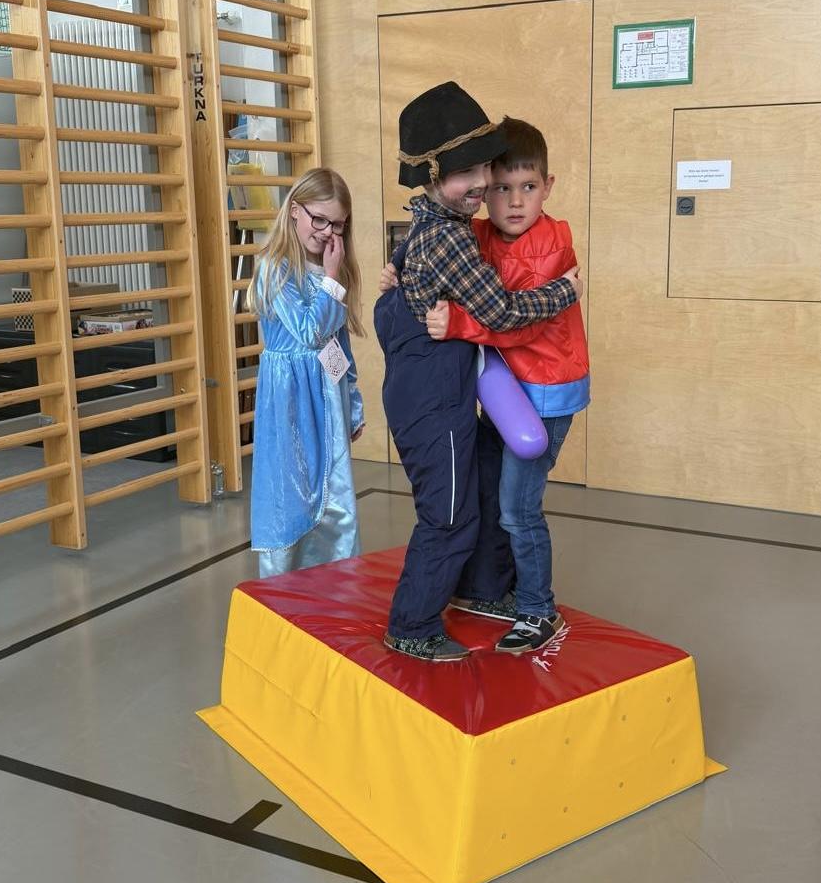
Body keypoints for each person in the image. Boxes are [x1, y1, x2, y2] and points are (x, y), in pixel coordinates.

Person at [374, 81, 584, 662]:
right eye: (466, 173)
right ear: (431, 175)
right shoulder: (450, 239)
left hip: (447, 390)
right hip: (431, 399)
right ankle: (411, 625)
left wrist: (397, 276)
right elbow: (504, 314)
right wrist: (564, 293)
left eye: (482, 168)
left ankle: (482, 588)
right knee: (449, 513)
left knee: (481, 489)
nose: (482, 184)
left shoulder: (437, 222)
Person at [248, 167, 365, 577]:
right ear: (295, 210)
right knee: (292, 490)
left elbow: (337, 346)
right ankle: (283, 584)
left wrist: (352, 405)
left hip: (326, 397)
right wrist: (331, 278)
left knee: (332, 490)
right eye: (320, 220)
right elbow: (310, 332)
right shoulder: (275, 266)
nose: (328, 233)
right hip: (290, 399)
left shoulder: (330, 268)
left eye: (338, 225)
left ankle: (335, 582)